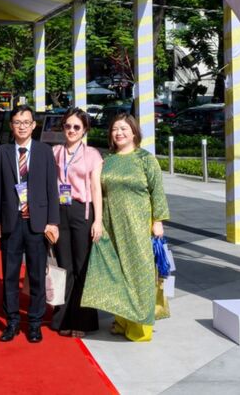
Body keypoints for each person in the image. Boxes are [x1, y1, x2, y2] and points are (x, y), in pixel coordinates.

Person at [82, 114, 169, 342]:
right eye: (115, 129)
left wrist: (158, 221)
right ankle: (122, 321)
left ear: (134, 132)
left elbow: (157, 191)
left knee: (140, 274)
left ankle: (140, 326)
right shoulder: (108, 160)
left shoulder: (145, 159)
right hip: (111, 224)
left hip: (138, 225)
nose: (119, 133)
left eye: (123, 128)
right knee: (117, 274)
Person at [0, 105, 59, 343]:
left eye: (26, 122)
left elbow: (52, 188)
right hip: (10, 222)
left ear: (33, 125)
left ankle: (34, 323)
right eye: (17, 122)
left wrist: (53, 221)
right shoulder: (2, 152)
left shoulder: (44, 151)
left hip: (37, 223)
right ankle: (11, 321)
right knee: (9, 275)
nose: (22, 126)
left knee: (37, 275)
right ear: (11, 126)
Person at [50, 107, 103, 337]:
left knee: (82, 266)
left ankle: (82, 320)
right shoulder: (55, 152)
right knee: (65, 266)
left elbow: (96, 188)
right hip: (60, 211)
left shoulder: (92, 155)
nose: (71, 130)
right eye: (68, 126)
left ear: (84, 130)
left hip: (83, 211)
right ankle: (63, 318)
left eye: (76, 127)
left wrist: (98, 220)